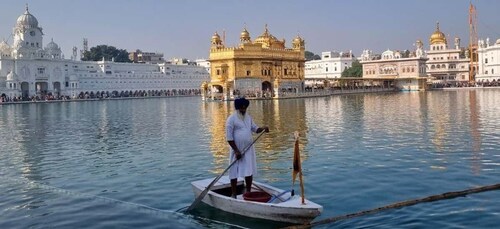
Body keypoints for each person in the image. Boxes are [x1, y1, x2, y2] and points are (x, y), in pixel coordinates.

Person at [226, 97, 269, 199]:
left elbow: (255, 129)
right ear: (237, 109)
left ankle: (249, 192)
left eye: (245, 108)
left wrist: (263, 128)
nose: (243, 110)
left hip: (248, 149)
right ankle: (234, 193)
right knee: (233, 171)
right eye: (241, 109)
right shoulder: (231, 119)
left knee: (249, 169)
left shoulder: (248, 118)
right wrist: (236, 151)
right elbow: (229, 137)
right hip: (236, 150)